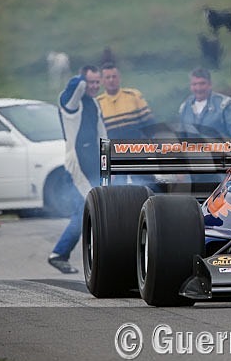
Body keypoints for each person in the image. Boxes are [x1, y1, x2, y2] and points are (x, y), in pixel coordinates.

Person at [47, 65, 107, 274]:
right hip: (77, 165)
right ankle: (59, 254)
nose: (94, 86)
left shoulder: (94, 103)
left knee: (91, 210)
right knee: (87, 209)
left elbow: (102, 135)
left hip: (93, 165)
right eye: (91, 82)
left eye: (97, 82)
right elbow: (77, 85)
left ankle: (67, 255)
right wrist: (82, 78)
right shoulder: (70, 102)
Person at [178, 67, 231, 137]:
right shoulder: (185, 107)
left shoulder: (225, 105)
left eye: (202, 83)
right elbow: (181, 137)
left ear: (210, 84)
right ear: (190, 86)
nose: (198, 88)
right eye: (194, 84)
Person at [96, 62, 155, 138]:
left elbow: (149, 124)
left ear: (120, 78)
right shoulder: (97, 104)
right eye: (108, 77)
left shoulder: (134, 96)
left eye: (114, 77)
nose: (111, 80)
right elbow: (99, 134)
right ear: (102, 81)